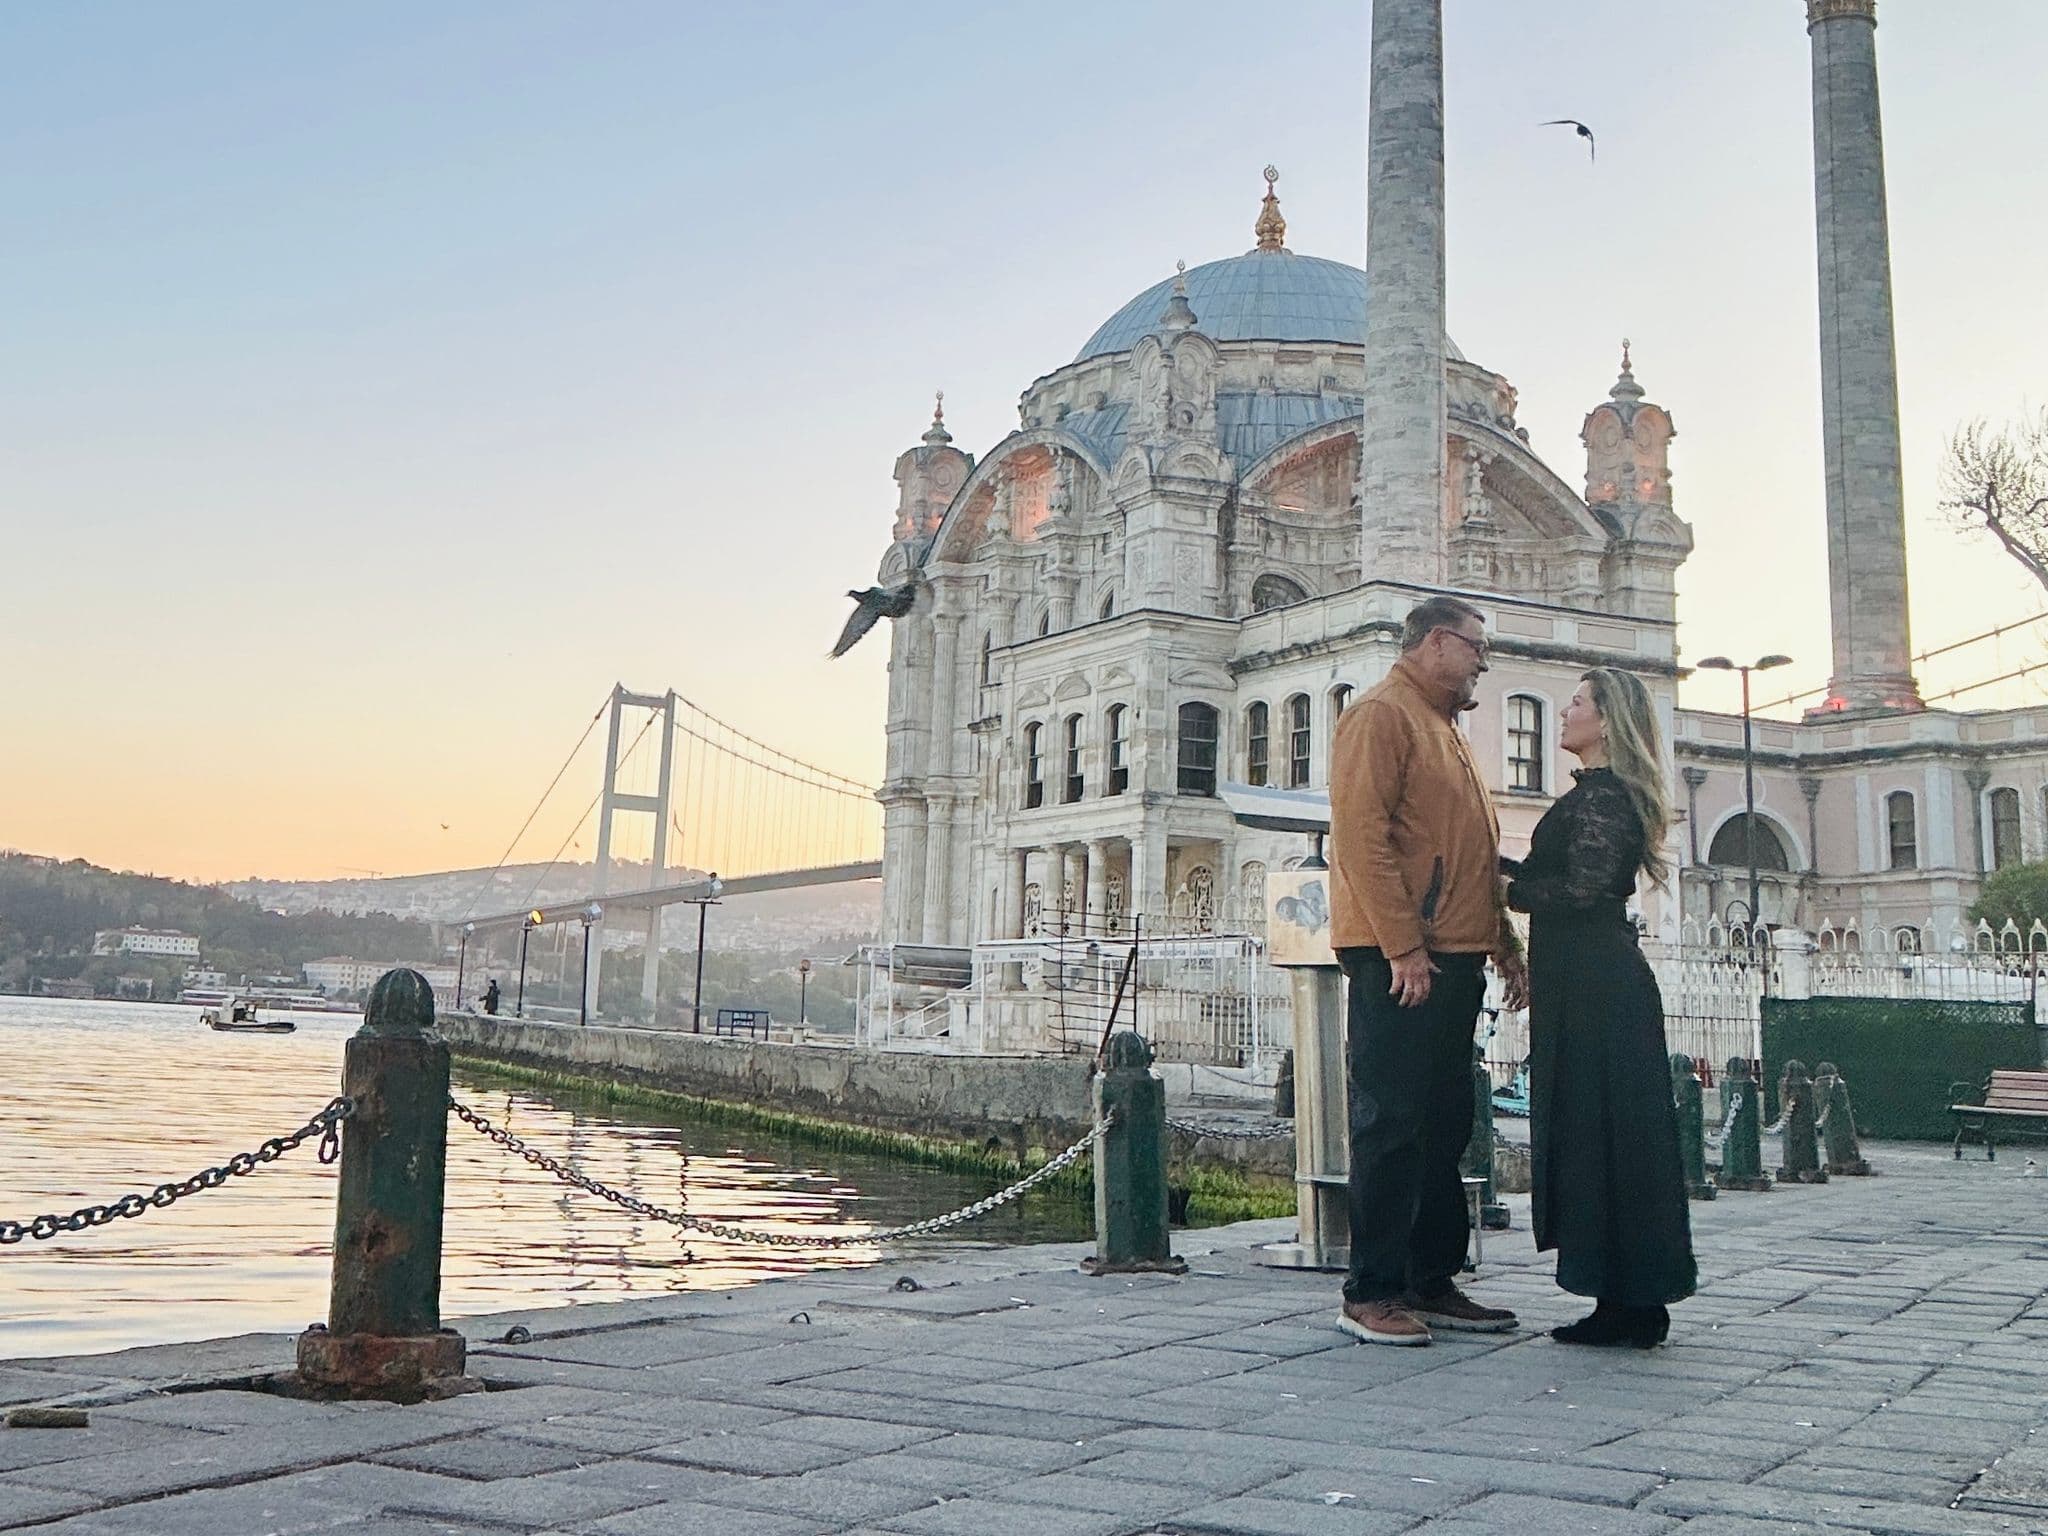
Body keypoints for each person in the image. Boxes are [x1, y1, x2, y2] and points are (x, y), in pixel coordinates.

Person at [1328, 595, 1529, 1346]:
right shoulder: (1383, 716)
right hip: (1404, 957)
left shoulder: (1441, 727)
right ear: (1439, 643)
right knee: (1391, 1122)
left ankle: (1430, 1278)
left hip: (1450, 950)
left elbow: (1470, 851)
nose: (1485, 660)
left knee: (1444, 1124)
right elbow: (1361, 838)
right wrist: (1402, 947)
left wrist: (1501, 944)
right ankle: (1371, 1289)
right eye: (1479, 646)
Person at [1503, 667, 1698, 1347]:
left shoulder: (1605, 798)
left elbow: (1584, 888)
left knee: (1609, 1134)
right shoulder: (1598, 795)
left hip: (1597, 988)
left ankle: (1633, 1298)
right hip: (1584, 984)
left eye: (1578, 704)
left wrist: (1511, 887)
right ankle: (1624, 1295)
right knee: (1604, 1135)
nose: (1565, 713)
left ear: (1608, 720)